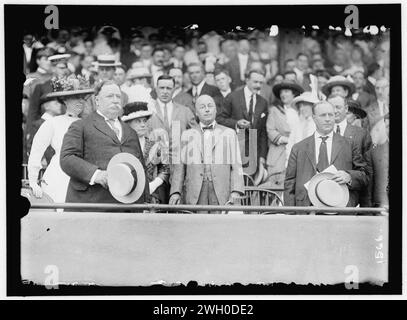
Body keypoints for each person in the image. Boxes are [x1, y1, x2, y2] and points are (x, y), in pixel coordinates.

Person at [60, 80, 149, 204]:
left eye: (118, 96)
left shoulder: (131, 132)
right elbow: (67, 158)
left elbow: (141, 169)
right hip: (92, 204)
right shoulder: (81, 126)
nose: (115, 100)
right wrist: (96, 175)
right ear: (97, 101)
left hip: (126, 207)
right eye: (109, 96)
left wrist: (144, 203)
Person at [284, 100, 369, 208]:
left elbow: (365, 175)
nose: (328, 119)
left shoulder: (349, 144)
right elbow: (289, 185)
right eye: (323, 115)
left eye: (331, 115)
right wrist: (291, 215)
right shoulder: (298, 148)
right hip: (307, 210)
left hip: (340, 209)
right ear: (314, 118)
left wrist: (349, 176)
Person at [169, 95, 244, 212]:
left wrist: (236, 190)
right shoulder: (186, 135)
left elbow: (236, 166)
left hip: (221, 190)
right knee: (197, 227)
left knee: (220, 227)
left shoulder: (229, 133)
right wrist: (175, 192)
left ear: (216, 110)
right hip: (195, 191)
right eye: (202, 107)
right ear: (196, 113)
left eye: (210, 106)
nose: (207, 109)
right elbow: (179, 168)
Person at [28, 75, 94, 203]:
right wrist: (33, 181)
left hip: (82, 176)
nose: (80, 102)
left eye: (82, 98)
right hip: (58, 175)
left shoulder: (88, 124)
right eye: (75, 98)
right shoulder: (53, 123)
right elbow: (36, 151)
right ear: (65, 100)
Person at [217, 68, 268, 179]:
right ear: (247, 80)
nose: (258, 85)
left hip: (254, 154)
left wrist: (262, 156)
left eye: (261, 82)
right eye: (255, 82)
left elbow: (263, 132)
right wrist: (236, 123)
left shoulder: (263, 102)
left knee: (250, 187)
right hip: (234, 149)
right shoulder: (232, 97)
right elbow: (219, 119)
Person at [121, 102, 170, 204]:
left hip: (151, 198)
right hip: (128, 197)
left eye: (144, 121)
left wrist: (155, 184)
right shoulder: (122, 146)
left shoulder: (155, 145)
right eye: (138, 122)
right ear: (128, 124)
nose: (143, 125)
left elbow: (165, 169)